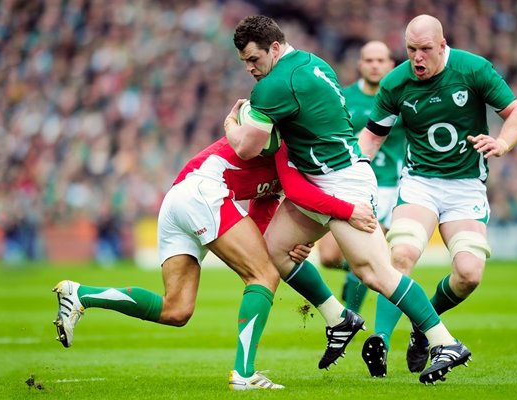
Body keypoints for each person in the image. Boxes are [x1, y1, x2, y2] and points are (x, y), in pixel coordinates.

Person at [225, 15, 472, 384]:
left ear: (274, 48)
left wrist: (231, 123)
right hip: (326, 176)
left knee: (374, 272)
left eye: (253, 59)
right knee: (273, 251)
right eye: (244, 61)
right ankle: (339, 318)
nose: (249, 69)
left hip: (341, 182)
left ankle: (445, 342)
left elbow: (246, 149)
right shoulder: (313, 62)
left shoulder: (273, 86)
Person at [52, 136, 376, 391]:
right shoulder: (286, 139)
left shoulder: (293, 157)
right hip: (202, 191)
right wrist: (344, 213)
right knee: (263, 276)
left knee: (176, 309)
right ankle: (245, 375)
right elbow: (283, 174)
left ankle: (80, 295)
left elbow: (262, 218)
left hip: (182, 198)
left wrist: (288, 244)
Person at [357, 14, 517, 378]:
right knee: (400, 254)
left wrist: (502, 142)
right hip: (420, 182)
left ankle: (423, 326)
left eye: (425, 50)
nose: (417, 58)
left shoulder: (473, 69)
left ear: (442, 46)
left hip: (465, 186)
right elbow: (371, 138)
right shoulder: (396, 83)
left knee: (468, 274)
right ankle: (381, 341)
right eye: (410, 50)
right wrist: (353, 176)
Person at [317, 40, 405, 316]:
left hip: (387, 186)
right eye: (369, 60)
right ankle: (355, 273)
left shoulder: (402, 100)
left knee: (365, 255)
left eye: (381, 60)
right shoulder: (343, 99)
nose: (375, 65)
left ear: (391, 65)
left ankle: (349, 317)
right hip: (347, 185)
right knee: (329, 258)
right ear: (360, 65)